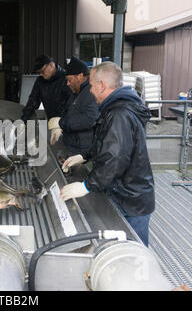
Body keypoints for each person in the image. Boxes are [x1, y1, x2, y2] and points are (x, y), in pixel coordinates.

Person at [59, 61, 155, 247]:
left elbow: (115, 159)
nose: (92, 91)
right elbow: (108, 145)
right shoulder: (116, 109)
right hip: (126, 194)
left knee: (134, 255)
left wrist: (86, 186)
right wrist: (85, 155)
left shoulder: (119, 114)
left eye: (93, 86)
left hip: (131, 200)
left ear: (102, 85)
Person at [48, 57, 99, 155]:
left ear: (80, 76)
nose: (67, 83)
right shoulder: (77, 92)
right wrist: (59, 129)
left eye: (69, 79)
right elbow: (70, 112)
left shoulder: (91, 92)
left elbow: (90, 119)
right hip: (73, 147)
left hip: (84, 152)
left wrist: (61, 123)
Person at [21, 55, 72, 122]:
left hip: (67, 123)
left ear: (51, 65)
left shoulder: (66, 79)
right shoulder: (40, 81)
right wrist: (24, 119)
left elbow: (71, 103)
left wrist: (61, 122)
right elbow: (33, 101)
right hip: (51, 122)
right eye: (39, 73)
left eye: (42, 71)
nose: (40, 74)